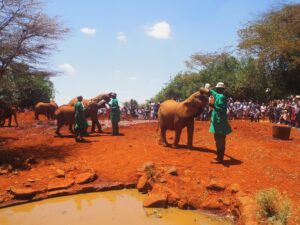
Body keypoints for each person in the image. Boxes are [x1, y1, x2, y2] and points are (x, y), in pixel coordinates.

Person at [208, 82, 232, 163]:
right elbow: (213, 92)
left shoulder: (221, 97)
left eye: (217, 88)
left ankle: (220, 158)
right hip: (218, 122)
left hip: (220, 122)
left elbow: (222, 109)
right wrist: (208, 89)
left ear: (220, 89)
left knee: (220, 140)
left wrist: (213, 106)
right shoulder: (218, 95)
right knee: (218, 139)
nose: (216, 89)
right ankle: (219, 156)